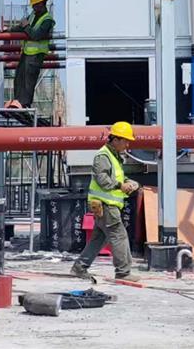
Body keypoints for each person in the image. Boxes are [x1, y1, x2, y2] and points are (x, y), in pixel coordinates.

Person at [71, 121, 141, 282]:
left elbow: (117, 178)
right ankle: (123, 272)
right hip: (106, 205)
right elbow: (103, 180)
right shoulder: (103, 156)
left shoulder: (113, 157)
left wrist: (128, 182)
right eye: (125, 141)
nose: (127, 145)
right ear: (115, 140)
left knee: (99, 239)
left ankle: (80, 267)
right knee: (119, 236)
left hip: (105, 205)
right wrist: (121, 186)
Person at [10, 0, 55, 109]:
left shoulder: (47, 20)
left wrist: (26, 26)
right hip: (26, 53)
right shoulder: (33, 15)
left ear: (42, 3)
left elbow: (36, 35)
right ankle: (17, 102)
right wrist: (8, 31)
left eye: (36, 4)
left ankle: (25, 104)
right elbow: (21, 27)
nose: (34, 7)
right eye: (33, 5)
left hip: (36, 55)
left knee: (29, 80)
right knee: (19, 77)